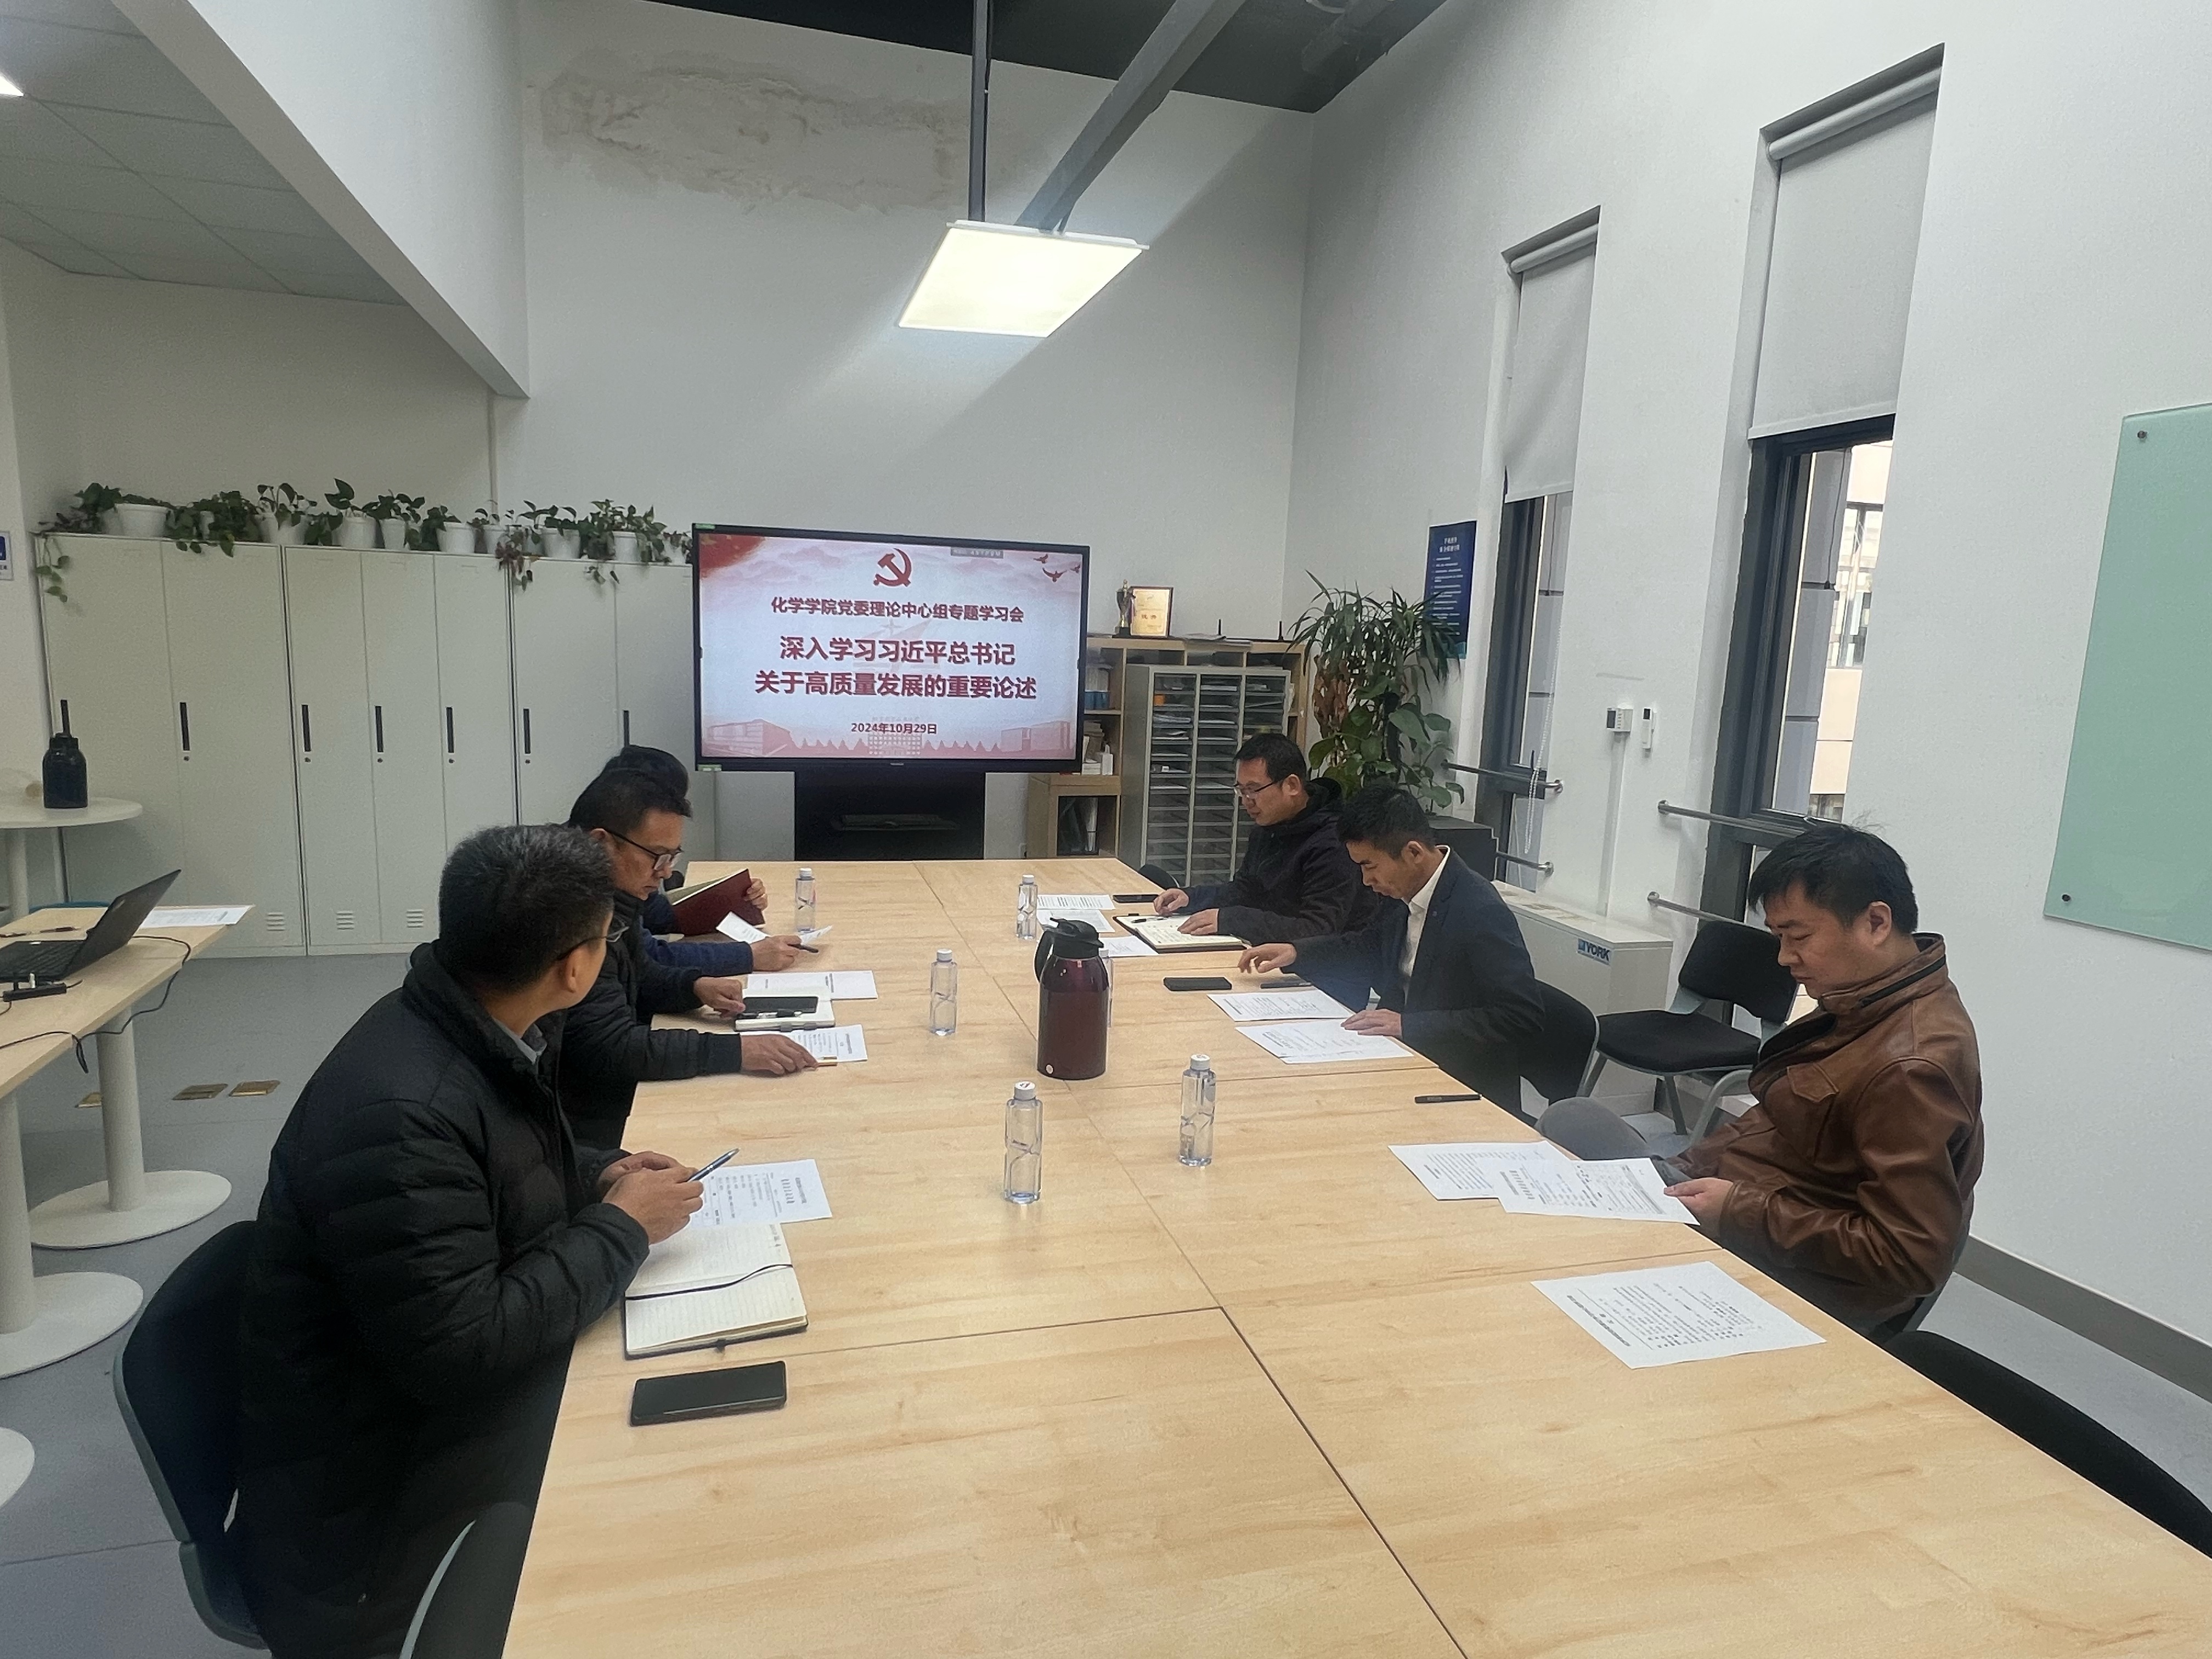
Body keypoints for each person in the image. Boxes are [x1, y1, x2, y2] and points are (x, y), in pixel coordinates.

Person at [234, 825, 705, 1659]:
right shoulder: (400, 1117)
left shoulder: (463, 1024)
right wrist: (624, 1226)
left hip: (415, 1427)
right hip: (370, 1528)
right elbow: (464, 1349)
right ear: (574, 968)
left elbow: (504, 1161)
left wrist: (601, 1172)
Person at [1663, 825, 1983, 1334]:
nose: (1784, 958)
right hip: (1751, 1210)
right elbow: (1779, 1118)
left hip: (1805, 1280)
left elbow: (1908, 1256)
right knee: (1581, 1128)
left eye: (1799, 938)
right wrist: (1684, 1167)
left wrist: (1738, 1210)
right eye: (1779, 938)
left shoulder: (1910, 1065)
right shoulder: (1863, 999)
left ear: (1876, 923)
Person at [1239, 783, 1543, 1109]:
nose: (1365, 880)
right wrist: (1297, 952)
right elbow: (1370, 946)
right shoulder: (1404, 890)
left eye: (1369, 866)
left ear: (1413, 853)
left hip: (1462, 1085)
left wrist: (1408, 1024)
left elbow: (1521, 1017)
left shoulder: (1479, 910)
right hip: (1404, 1057)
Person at [562, 767, 815, 1149]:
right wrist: (736, 1052)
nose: (666, 873)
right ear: (602, 843)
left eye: (673, 857)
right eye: (657, 857)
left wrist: (693, 986)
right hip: (583, 1120)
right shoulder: (570, 913)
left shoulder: (612, 895)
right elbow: (610, 1048)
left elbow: (639, 973)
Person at [596, 745, 806, 974]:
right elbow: (647, 959)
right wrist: (749, 956)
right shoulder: (582, 888)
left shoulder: (616, 872)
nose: (666, 872)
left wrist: (737, 902)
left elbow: (658, 915)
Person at [1153, 732, 1379, 943]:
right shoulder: (1269, 826)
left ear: (1292, 785)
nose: (1246, 801)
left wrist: (1230, 919)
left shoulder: (1334, 842)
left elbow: (1317, 929)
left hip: (1322, 965)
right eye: (1241, 790)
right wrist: (1192, 898)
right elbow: (1246, 890)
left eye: (1254, 790)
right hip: (1267, 949)